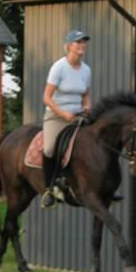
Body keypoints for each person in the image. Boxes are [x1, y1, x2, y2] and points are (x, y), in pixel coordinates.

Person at [41, 29, 92, 207]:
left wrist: (87, 105)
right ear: (69, 46)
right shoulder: (59, 67)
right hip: (56, 116)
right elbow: (46, 97)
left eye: (84, 42)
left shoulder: (86, 70)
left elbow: (85, 94)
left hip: (78, 116)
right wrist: (63, 114)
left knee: (96, 141)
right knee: (49, 148)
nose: (82, 45)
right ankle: (49, 189)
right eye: (79, 42)